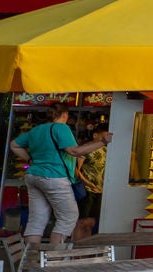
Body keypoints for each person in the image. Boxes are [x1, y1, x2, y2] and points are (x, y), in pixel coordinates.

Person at [12, 103, 111, 247]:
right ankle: (54, 259)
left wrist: (29, 159)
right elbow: (75, 151)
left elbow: (14, 145)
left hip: (33, 176)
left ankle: (30, 261)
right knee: (68, 217)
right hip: (54, 177)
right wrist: (102, 141)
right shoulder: (61, 128)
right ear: (65, 114)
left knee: (36, 220)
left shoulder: (37, 130)